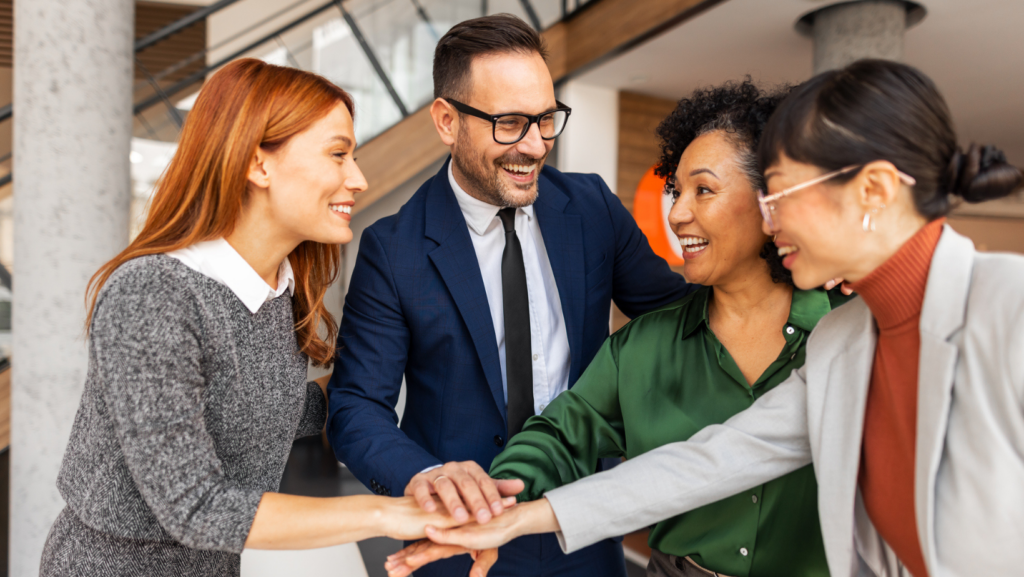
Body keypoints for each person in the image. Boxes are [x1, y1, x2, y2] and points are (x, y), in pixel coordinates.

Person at [395, 59, 1024, 577]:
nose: (771, 220)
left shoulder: (1010, 310)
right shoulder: (844, 343)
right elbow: (711, 461)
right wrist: (516, 516)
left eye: (779, 194)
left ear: (875, 191)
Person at [40, 59, 489, 577]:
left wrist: (414, 358)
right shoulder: (154, 294)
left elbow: (262, 412)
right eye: (338, 154)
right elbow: (195, 506)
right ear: (259, 164)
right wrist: (397, 512)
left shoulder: (276, 293)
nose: (358, 179)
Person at [387, 80, 846, 577]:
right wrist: (493, 503)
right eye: (677, 191)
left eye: (704, 190)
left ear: (771, 201)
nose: (677, 213)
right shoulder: (644, 346)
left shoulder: (847, 333)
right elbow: (560, 437)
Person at [327, 14, 698, 577]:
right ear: (447, 121)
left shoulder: (592, 208)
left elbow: (677, 318)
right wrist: (426, 478)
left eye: (547, 120)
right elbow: (356, 407)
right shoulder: (393, 247)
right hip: (458, 538)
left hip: (583, 529)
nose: (535, 145)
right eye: (511, 123)